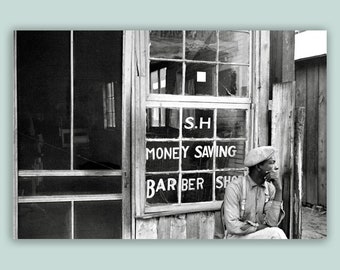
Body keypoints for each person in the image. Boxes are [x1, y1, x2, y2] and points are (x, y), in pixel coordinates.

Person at [223, 146, 287, 239]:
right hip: (236, 238)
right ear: (258, 166)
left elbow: (272, 223)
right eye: (271, 163)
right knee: (276, 234)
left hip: (258, 236)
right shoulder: (235, 187)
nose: (276, 167)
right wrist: (261, 228)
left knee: (275, 233)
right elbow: (232, 226)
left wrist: (279, 190)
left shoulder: (270, 189)